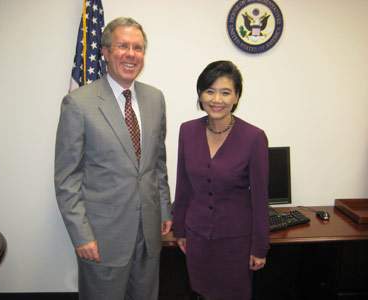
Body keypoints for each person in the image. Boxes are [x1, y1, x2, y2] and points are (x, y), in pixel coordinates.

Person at [54, 17, 172, 300]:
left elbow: (158, 163)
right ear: (105, 52)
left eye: (138, 47)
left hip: (149, 234)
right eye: (122, 46)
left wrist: (165, 209)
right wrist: (81, 235)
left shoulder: (156, 99)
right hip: (102, 238)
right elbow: (66, 178)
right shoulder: (79, 103)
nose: (131, 54)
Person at [172, 60, 269, 300]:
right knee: (201, 292)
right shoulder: (187, 131)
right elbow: (183, 186)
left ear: (236, 97)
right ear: (200, 94)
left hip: (236, 242)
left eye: (225, 92)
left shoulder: (254, 137)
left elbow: (259, 198)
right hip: (197, 237)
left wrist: (259, 247)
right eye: (210, 91)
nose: (217, 99)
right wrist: (180, 230)